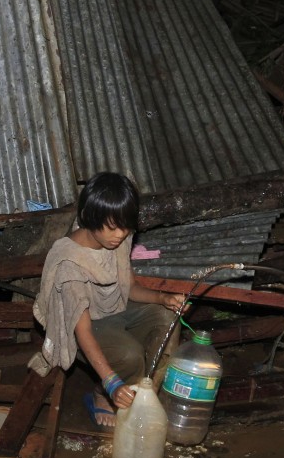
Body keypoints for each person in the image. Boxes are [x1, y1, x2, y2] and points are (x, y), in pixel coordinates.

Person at [30, 171, 186, 430]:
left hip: (115, 309)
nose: (120, 234)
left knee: (168, 320)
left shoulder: (117, 238)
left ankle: (144, 391)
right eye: (113, 227)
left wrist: (163, 298)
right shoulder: (70, 264)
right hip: (85, 326)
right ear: (90, 217)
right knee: (130, 355)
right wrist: (111, 383)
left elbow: (130, 288)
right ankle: (104, 393)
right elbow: (82, 332)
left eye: (125, 227)